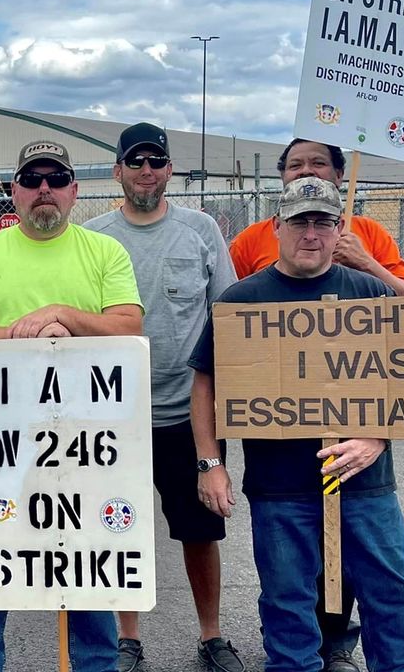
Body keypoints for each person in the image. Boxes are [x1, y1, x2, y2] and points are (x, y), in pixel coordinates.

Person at [190, 176, 404, 672]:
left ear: (340, 229)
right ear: (278, 226)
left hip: (365, 483)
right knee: (287, 605)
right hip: (280, 488)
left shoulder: (371, 294)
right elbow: (206, 384)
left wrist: (377, 437)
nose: (311, 234)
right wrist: (211, 463)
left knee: (390, 599)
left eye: (323, 222)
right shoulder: (241, 301)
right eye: (300, 222)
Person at [0, 140, 144, 672]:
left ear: (75, 191)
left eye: (56, 179)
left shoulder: (104, 252)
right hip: (2, 442)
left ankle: (96, 661)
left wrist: (64, 315)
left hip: (87, 441)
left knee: (88, 553)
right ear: (15, 191)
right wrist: (22, 332)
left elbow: (129, 324)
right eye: (32, 180)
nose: (44, 190)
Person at [84, 123, 244, 672]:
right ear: (118, 172)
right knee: (116, 527)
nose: (146, 172)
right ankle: (127, 637)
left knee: (199, 531)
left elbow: (227, 316)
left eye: (156, 161)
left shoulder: (200, 230)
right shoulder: (95, 236)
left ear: (170, 169)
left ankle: (212, 634)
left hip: (188, 414)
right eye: (135, 162)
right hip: (114, 416)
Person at [229, 139, 404, 297]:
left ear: (339, 175)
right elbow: (226, 310)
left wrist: (366, 264)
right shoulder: (250, 239)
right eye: (295, 165)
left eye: (318, 163)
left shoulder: (370, 233)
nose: (306, 170)